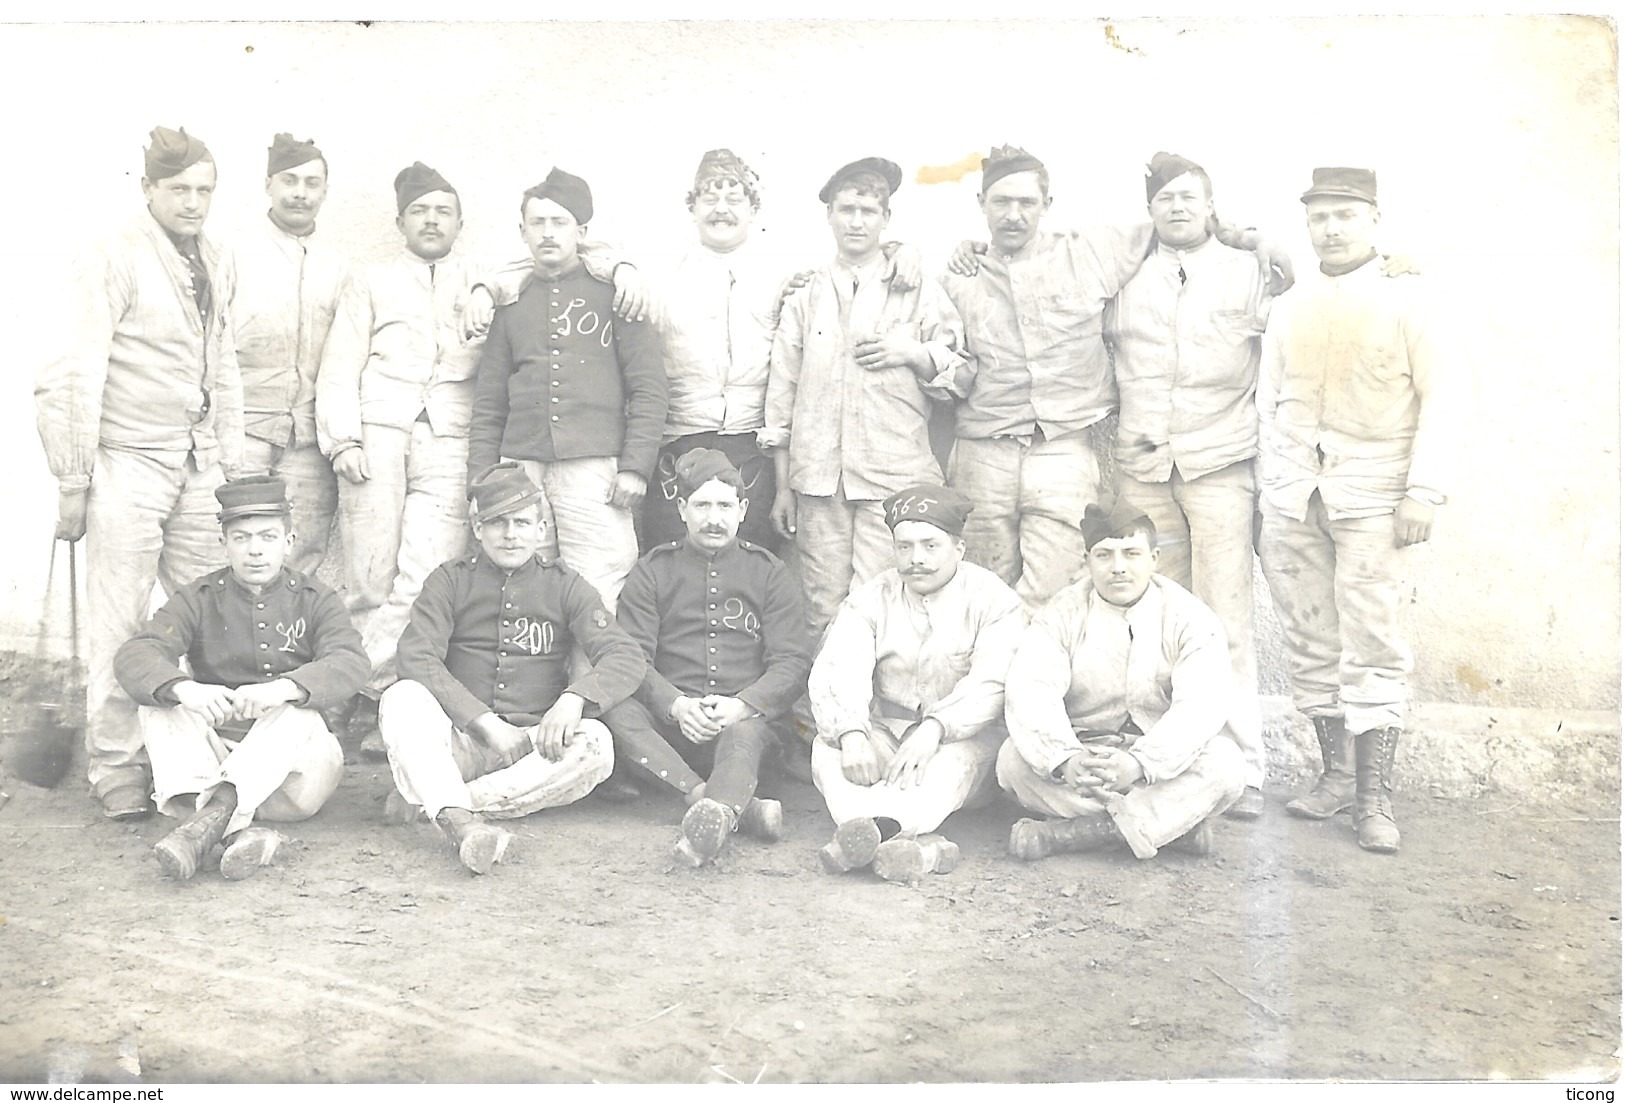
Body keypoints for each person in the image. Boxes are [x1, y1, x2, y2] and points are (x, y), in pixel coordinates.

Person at [942, 145, 1293, 612]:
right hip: (984, 449)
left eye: (1026, 202)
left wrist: (1250, 237)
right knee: (979, 591)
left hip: (1063, 449)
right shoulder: (957, 274)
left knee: (1059, 587)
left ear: (1047, 205)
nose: (1013, 214)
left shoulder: (1091, 253)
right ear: (980, 204)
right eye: (1001, 202)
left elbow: (1181, 221)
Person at [34, 125, 243, 820]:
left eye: (204, 190)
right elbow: (72, 372)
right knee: (121, 623)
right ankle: (116, 768)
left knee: (209, 613)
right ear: (148, 188)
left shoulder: (215, 256)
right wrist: (72, 479)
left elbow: (225, 365)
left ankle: (209, 762)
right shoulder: (109, 256)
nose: (193, 202)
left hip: (196, 463)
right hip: (126, 461)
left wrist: (231, 466)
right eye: (179, 189)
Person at [1256, 167, 1449, 854]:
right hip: (1293, 494)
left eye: (1344, 216)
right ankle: (1335, 774)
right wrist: (1269, 493)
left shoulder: (1408, 299)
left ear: (1372, 220)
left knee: (1371, 641)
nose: (1331, 229)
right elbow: (1266, 405)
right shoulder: (1291, 306)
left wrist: (1422, 491)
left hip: (1373, 492)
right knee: (1310, 639)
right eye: (1318, 218)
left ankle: (1374, 796)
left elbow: (1443, 400)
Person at [1103, 152, 1273, 820]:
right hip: (1144, 467)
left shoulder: (1247, 271)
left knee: (1224, 618)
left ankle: (1242, 768)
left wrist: (1254, 237)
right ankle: (1163, 758)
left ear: (1211, 207)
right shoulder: (1125, 277)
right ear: (1150, 210)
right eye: (1165, 198)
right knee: (1152, 620)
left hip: (1220, 462)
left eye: (1189, 198)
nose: (1177, 208)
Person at [378, 462, 643, 874]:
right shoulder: (449, 581)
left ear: (541, 530)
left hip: (532, 747)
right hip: (457, 742)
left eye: (522, 522)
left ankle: (445, 806)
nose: (511, 534)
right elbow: (416, 657)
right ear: (478, 529)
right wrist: (482, 721)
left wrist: (575, 698)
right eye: (497, 523)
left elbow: (625, 656)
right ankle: (457, 813)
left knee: (596, 743)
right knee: (401, 697)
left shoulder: (566, 584)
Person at [315, 162, 493, 754]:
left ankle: (382, 693)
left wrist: (488, 291)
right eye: (420, 210)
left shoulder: (482, 276)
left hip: (449, 435)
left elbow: (558, 254)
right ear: (400, 222)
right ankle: (355, 693)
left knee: (425, 574)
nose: (432, 220)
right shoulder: (371, 280)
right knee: (369, 576)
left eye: (443, 210)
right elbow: (340, 364)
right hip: (379, 431)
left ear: (460, 222)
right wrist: (343, 440)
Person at [113, 476, 366, 881]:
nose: (255, 549)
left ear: (289, 540)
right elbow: (136, 654)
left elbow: (351, 661)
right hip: (214, 761)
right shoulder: (199, 596)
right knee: (159, 703)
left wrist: (286, 688)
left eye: (268, 536)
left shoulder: (316, 598)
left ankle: (208, 824)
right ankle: (241, 834)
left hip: (295, 778)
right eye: (241, 537)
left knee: (298, 712)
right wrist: (185, 688)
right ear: (223, 543)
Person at [762, 156, 965, 649]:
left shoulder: (916, 288)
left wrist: (912, 352)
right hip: (819, 483)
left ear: (886, 220)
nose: (856, 221)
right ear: (829, 215)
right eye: (846, 209)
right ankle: (826, 723)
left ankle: (886, 721)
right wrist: (783, 487)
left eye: (869, 211)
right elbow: (781, 397)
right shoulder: (805, 296)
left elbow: (960, 372)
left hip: (892, 478)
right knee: (823, 609)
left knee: (892, 604)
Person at [467, 168, 668, 611]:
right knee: (520, 585)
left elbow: (649, 389)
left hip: (594, 468)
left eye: (559, 223)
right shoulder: (511, 301)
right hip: (521, 465)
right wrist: (481, 479)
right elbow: (489, 403)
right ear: (523, 232)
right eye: (537, 223)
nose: (548, 233)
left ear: (582, 232)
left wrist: (635, 467)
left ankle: (593, 681)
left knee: (599, 586)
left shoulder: (617, 292)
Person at [998, 501, 1245, 861]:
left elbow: (1200, 707)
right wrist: (1066, 759)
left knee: (1226, 764)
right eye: (1104, 555)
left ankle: (1074, 835)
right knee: (1011, 763)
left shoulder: (1190, 617)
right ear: (1087, 560)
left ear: (1154, 558)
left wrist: (1141, 765)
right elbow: (1031, 691)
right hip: (1086, 756)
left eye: (1131, 554)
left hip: (1156, 762)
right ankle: (1169, 826)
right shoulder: (1061, 614)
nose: (1118, 568)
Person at [604, 448, 812, 866]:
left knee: (747, 731)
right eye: (701, 505)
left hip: (742, 730)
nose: (713, 518)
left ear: (743, 509)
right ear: (681, 509)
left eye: (724, 505)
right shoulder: (653, 570)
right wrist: (676, 705)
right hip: (673, 731)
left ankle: (711, 821)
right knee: (617, 711)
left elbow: (792, 661)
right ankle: (717, 803)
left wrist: (742, 705)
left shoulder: (769, 571)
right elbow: (631, 657)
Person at [808, 485, 1025, 882]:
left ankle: (869, 837)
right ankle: (920, 849)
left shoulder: (995, 600)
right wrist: (854, 732)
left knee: (943, 774)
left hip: (956, 740)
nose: (916, 559)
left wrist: (934, 729)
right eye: (904, 547)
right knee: (828, 750)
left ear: (958, 548)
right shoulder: (872, 597)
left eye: (930, 545)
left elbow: (992, 683)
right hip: (883, 733)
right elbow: (838, 668)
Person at [641, 150, 788, 552]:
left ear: (753, 208)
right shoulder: (662, 277)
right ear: (692, 206)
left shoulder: (781, 277)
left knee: (750, 567)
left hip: (751, 448)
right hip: (680, 444)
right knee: (675, 570)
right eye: (709, 198)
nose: (721, 210)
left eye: (734, 198)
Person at [226, 133, 348, 576]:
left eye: (312, 183)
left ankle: (286, 646)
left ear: (325, 192)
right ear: (268, 185)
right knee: (238, 549)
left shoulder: (337, 266)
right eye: (290, 181)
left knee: (301, 555)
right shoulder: (233, 253)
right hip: (244, 431)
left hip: (308, 441)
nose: (300, 193)